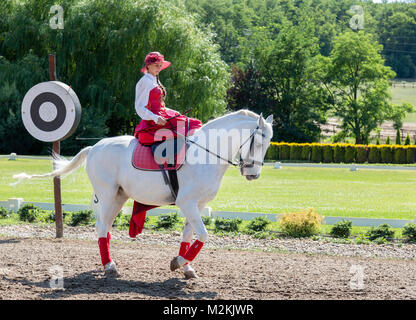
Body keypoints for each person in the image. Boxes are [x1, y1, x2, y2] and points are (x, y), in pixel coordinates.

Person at [134, 52, 202, 146]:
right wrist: (155, 118)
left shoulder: (154, 79)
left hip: (162, 116)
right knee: (191, 125)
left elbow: (159, 104)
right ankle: (169, 159)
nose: (159, 68)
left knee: (194, 124)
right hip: (155, 121)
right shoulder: (145, 81)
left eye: (160, 66)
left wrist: (173, 111)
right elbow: (139, 107)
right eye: (156, 65)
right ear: (148, 66)